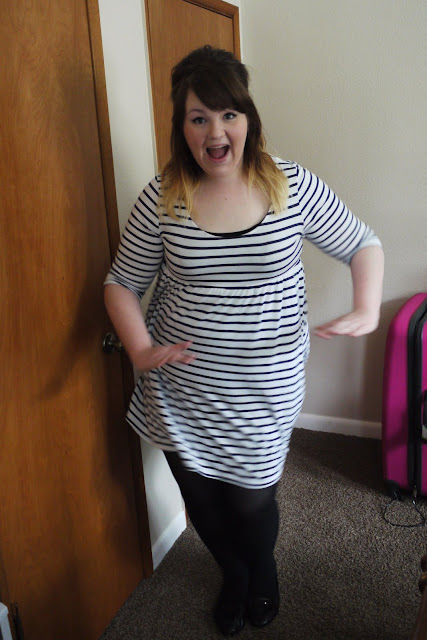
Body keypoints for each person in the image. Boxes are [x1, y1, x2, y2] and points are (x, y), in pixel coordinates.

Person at [104, 45, 384, 636]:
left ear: (248, 118)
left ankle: (263, 571)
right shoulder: (162, 197)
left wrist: (365, 306)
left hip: (264, 387)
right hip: (181, 388)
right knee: (202, 498)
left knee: (253, 499)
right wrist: (139, 349)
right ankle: (234, 574)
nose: (215, 131)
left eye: (228, 114)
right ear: (181, 126)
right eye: (198, 117)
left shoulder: (289, 185)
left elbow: (362, 243)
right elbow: (121, 283)